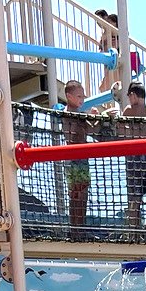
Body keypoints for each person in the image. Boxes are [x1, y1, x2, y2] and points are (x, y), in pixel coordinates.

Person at [123, 82, 146, 228]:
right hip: (139, 159)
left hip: (145, 160)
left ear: (134, 95)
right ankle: (135, 230)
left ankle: (145, 227)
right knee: (135, 198)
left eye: (129, 95)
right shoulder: (130, 112)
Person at [62, 79, 92, 229]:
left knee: (82, 193)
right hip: (75, 159)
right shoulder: (68, 114)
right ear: (69, 96)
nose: (82, 99)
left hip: (81, 158)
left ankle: (79, 227)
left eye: (83, 96)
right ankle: (76, 228)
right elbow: (74, 135)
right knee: (77, 195)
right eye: (79, 96)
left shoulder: (78, 114)